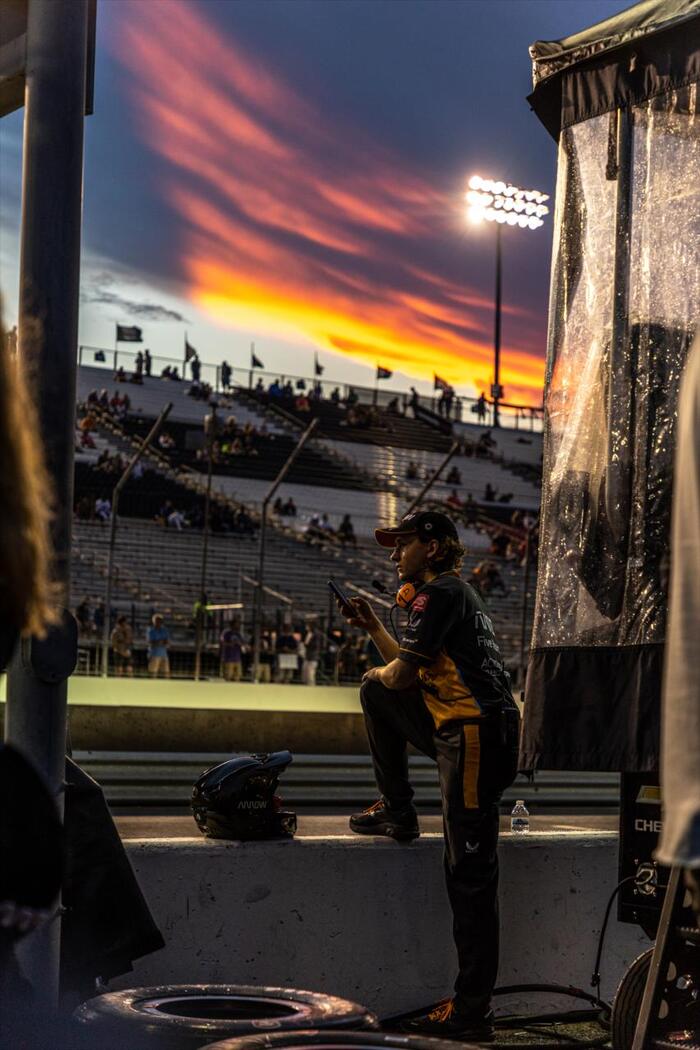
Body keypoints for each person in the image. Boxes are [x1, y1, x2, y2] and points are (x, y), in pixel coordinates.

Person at [336, 510, 519, 1041]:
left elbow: (399, 674)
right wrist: (374, 628)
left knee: (470, 875)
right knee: (374, 688)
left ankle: (472, 1011)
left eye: (403, 545)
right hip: (463, 731)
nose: (394, 555)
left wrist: (380, 665)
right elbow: (400, 677)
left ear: (434, 548)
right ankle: (397, 809)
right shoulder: (442, 595)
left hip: (474, 735)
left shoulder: (438, 595)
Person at [302, 621, 322, 686]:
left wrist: (307, 645)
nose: (307, 627)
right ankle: (305, 687)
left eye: (308, 625)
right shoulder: (309, 633)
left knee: (310, 675)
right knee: (305, 675)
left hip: (313, 658)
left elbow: (315, 645)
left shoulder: (316, 634)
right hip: (307, 657)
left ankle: (311, 688)